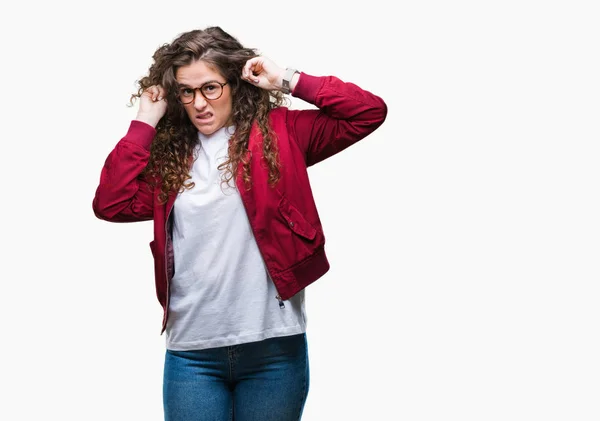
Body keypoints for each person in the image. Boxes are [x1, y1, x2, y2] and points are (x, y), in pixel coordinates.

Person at [92, 26, 387, 421]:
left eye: (211, 88)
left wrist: (288, 79)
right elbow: (111, 203)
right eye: (186, 91)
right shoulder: (171, 159)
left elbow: (368, 112)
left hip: (273, 348)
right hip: (192, 353)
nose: (199, 102)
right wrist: (145, 123)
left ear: (235, 84)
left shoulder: (282, 133)